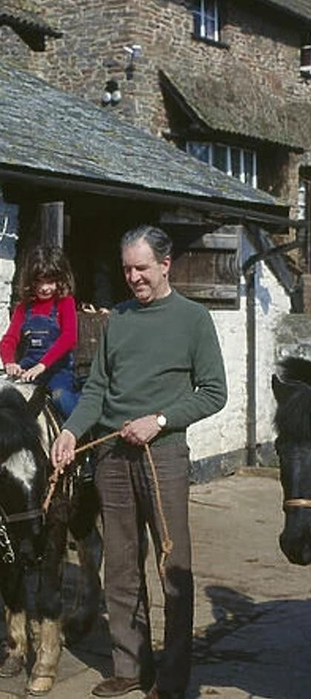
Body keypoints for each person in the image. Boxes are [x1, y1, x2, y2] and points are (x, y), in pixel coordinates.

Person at [51, 225, 227, 699]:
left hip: (163, 456)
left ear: (165, 265)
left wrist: (161, 419)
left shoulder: (193, 319)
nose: (133, 278)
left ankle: (171, 680)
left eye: (142, 268)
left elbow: (214, 393)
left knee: (174, 568)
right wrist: (70, 430)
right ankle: (130, 666)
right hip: (110, 456)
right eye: (127, 269)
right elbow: (97, 390)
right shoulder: (119, 320)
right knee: (122, 567)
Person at [0, 244, 79, 418]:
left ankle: (82, 436)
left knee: (61, 398)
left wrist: (42, 365)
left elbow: (69, 337)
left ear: (60, 280)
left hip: (57, 373)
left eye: (50, 281)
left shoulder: (65, 303)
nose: (44, 288)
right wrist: (9, 363)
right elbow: (9, 339)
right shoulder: (23, 308)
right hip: (28, 371)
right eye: (39, 281)